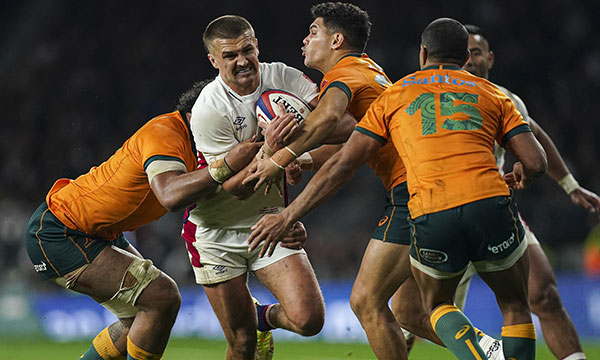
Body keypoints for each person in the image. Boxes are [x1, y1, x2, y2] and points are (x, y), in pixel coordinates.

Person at [248, 18, 549, 360]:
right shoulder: (377, 74)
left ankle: (489, 356)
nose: (305, 39)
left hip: (419, 195)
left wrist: (279, 161)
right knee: (415, 311)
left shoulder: (364, 82)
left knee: (368, 300)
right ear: (465, 58)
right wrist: (302, 161)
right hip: (483, 198)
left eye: (313, 32)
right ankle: (493, 352)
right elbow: (536, 160)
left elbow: (335, 130)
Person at [391, 24, 600, 360]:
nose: (470, 61)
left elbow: (535, 137)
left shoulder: (502, 98)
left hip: (491, 211)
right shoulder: (421, 96)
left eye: (477, 53)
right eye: (468, 53)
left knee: (544, 296)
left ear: (487, 59)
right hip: (438, 208)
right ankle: (488, 351)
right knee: (411, 318)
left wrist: (569, 184)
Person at [24, 79, 268, 360]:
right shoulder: (165, 132)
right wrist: (225, 166)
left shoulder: (202, 148)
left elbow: (222, 197)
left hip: (97, 232)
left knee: (140, 321)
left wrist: (284, 215)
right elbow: (169, 194)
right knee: (161, 298)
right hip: (60, 230)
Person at [185, 15, 356, 359]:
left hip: (269, 221)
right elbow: (234, 187)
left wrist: (297, 156)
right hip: (216, 232)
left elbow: (344, 127)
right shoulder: (209, 108)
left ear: (256, 45)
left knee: (309, 320)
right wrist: (272, 149)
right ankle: (254, 322)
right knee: (242, 343)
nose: (242, 60)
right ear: (214, 61)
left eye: (247, 50)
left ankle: (262, 317)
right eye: (230, 55)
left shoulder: (284, 77)